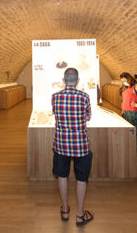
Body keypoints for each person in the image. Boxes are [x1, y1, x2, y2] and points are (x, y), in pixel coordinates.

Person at [52, 68, 94, 226]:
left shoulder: (55, 97)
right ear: (77, 81)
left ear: (64, 80)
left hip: (61, 144)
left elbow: (56, 114)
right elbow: (88, 116)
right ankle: (80, 215)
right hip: (80, 145)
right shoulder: (84, 97)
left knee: (62, 176)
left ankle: (64, 210)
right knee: (81, 179)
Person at [120, 72, 137, 153]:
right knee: (128, 132)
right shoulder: (125, 88)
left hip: (134, 112)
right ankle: (130, 149)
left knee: (135, 132)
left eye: (125, 80)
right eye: (122, 81)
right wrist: (123, 110)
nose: (124, 82)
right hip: (126, 112)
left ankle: (136, 150)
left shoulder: (135, 86)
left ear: (129, 79)